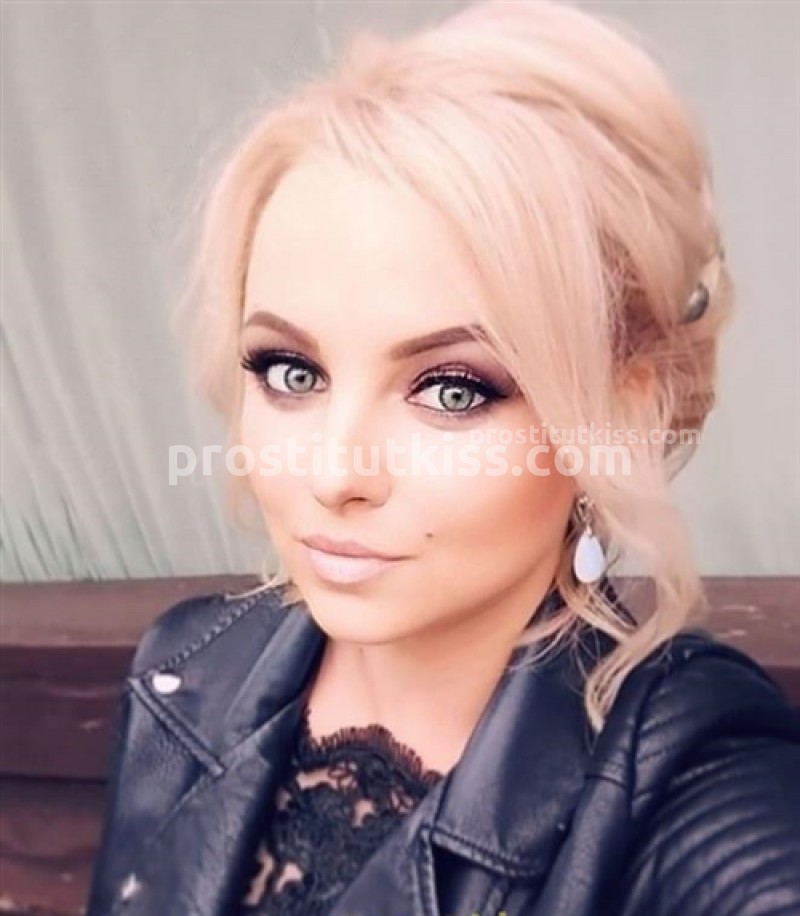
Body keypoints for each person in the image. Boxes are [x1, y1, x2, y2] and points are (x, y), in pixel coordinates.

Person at [87, 1, 800, 914]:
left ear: (616, 413)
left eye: (453, 390)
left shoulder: (692, 778)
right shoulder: (187, 669)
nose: (335, 475)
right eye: (292, 372)